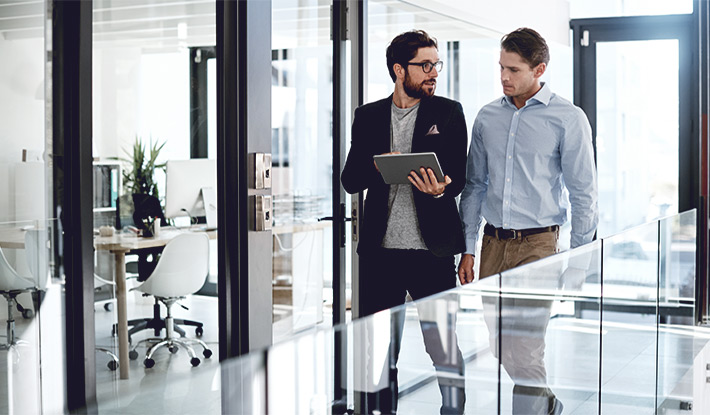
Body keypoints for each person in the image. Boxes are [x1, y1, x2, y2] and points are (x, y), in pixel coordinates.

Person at [458, 28, 598, 414]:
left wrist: (577, 262)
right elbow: (474, 185)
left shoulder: (568, 119)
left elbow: (583, 193)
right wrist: (468, 248)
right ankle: (547, 403)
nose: (504, 77)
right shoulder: (487, 117)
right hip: (492, 245)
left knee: (527, 343)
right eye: (501, 67)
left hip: (539, 245)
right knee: (499, 344)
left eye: (514, 70)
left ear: (539, 69)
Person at [341, 30, 467, 414]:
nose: (433, 72)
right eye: (424, 65)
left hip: (433, 251)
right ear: (399, 69)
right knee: (378, 352)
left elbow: (458, 176)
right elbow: (350, 180)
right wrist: (380, 165)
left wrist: (440, 189)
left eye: (436, 64)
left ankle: (454, 410)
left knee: (442, 346)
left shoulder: (448, 112)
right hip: (382, 254)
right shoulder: (368, 116)